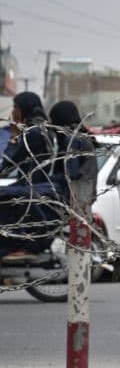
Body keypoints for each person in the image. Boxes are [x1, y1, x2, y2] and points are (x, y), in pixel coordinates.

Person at [0, 92, 62, 257]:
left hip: (35, 188)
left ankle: (17, 245)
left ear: (23, 109)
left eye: (15, 107)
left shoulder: (32, 133)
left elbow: (8, 161)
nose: (12, 112)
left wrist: (14, 135)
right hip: (42, 188)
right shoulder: (44, 128)